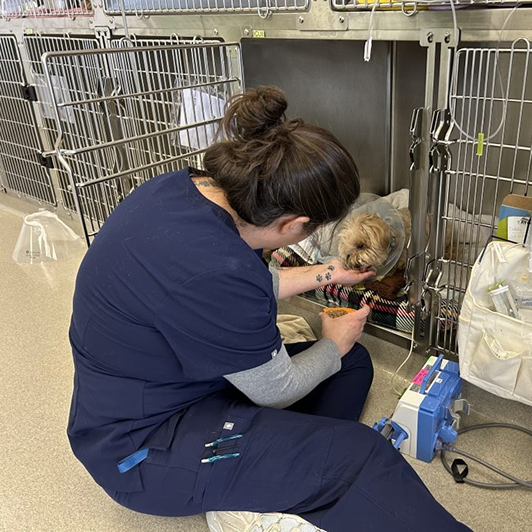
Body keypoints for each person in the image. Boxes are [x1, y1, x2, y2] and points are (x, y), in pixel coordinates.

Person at [68, 86, 472, 532]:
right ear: (294, 226)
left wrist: (329, 273)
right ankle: (293, 479)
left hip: (180, 383)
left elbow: (234, 284)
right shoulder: (218, 268)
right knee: (358, 457)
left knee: (353, 362)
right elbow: (275, 388)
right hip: (143, 448)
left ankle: (284, 477)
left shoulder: (182, 189)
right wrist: (333, 343)